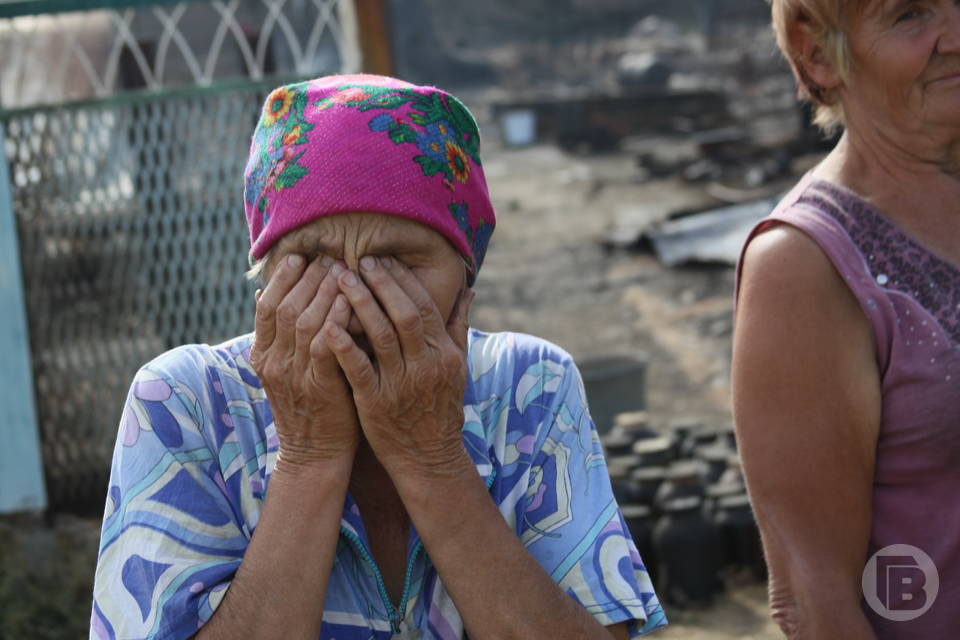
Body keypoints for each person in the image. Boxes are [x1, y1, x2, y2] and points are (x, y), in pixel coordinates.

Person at [90, 74, 666, 639]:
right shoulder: (184, 401)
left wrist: (432, 460)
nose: (353, 299)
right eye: (313, 259)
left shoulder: (530, 387)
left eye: (397, 263)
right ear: (264, 281)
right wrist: (309, 455)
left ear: (466, 283)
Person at [733, 1, 960, 638]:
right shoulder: (805, 266)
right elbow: (817, 605)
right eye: (911, 13)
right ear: (818, 52)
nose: (955, 36)